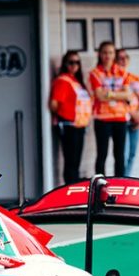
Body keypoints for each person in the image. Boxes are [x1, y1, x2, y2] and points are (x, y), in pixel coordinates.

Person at [89, 41, 132, 177]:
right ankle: (100, 186)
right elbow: (99, 96)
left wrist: (109, 94)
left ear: (115, 54)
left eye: (111, 52)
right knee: (102, 154)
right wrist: (118, 95)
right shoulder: (95, 73)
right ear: (100, 54)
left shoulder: (123, 72)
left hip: (120, 118)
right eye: (105, 52)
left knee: (119, 155)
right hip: (102, 119)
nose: (108, 55)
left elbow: (127, 94)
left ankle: (120, 184)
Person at [49, 51, 92, 184]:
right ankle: (70, 189)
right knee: (71, 162)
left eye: (77, 62)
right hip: (68, 126)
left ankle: (74, 188)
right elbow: (54, 104)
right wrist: (65, 116)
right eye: (71, 62)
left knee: (76, 162)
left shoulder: (76, 81)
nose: (74, 65)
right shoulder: (63, 81)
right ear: (65, 64)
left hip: (79, 126)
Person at [117, 49, 139, 175]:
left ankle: (128, 179)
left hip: (136, 120)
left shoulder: (134, 78)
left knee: (132, 153)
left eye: (126, 57)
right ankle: (122, 180)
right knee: (123, 154)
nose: (124, 60)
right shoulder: (114, 79)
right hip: (122, 119)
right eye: (120, 58)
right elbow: (118, 99)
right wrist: (131, 113)